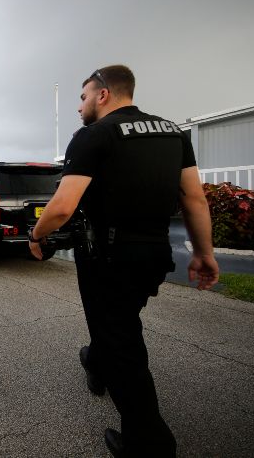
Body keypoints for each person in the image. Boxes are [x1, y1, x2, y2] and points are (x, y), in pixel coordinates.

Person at [28, 65, 219, 457]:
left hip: (108, 259)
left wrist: (36, 235)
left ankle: (149, 443)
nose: (79, 106)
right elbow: (194, 199)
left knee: (123, 346)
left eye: (83, 97)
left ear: (103, 95)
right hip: (153, 257)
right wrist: (204, 253)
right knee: (118, 323)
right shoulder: (172, 132)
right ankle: (95, 361)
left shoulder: (94, 135)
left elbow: (62, 206)